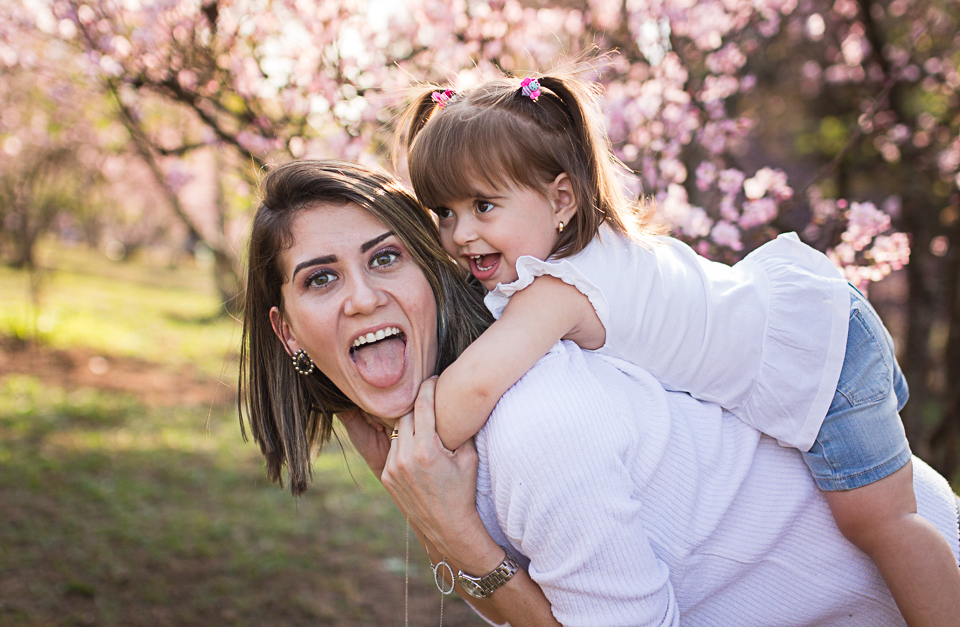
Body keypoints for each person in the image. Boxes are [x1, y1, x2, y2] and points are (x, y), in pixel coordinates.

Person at [239, 159, 960, 626]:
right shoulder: (442, 441)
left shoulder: (533, 421)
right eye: (321, 277)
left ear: (435, 276)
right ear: (288, 330)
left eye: (386, 257)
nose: (363, 297)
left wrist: (455, 539)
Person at [399, 66, 960, 624]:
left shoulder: (557, 289)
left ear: (562, 199)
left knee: (881, 522)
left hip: (821, 356)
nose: (461, 233)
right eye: (444, 212)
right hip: (816, 327)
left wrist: (408, 446)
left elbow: (476, 384)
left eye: (483, 206)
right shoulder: (581, 255)